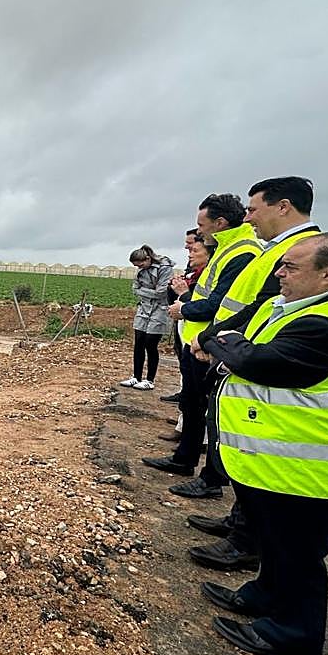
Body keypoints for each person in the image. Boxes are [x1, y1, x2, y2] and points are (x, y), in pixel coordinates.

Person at [199, 233, 328, 655]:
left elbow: (258, 361)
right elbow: (238, 344)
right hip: (283, 460)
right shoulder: (298, 307)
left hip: (314, 465)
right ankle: (266, 595)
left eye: (291, 267)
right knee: (275, 540)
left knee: (297, 552)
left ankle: (293, 633)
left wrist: (228, 346)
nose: (279, 273)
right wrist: (232, 345)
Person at [185, 176, 321, 566]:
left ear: (283, 207)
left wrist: (211, 338)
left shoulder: (300, 252)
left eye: (253, 209)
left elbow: (260, 307)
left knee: (254, 447)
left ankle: (246, 540)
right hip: (238, 351)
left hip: (251, 357)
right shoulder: (272, 248)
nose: (248, 217)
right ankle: (241, 525)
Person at [142, 193, 260, 485]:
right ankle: (184, 459)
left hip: (214, 345)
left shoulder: (243, 253)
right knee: (192, 404)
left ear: (220, 223)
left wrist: (184, 308)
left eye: (201, 224)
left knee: (212, 411)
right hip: (200, 341)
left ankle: (212, 479)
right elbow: (207, 294)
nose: (198, 231)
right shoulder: (225, 248)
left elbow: (218, 303)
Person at [158, 235, 213, 442]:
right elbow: (173, 300)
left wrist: (184, 294)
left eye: (194, 249)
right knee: (188, 388)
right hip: (188, 333)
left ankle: (196, 437)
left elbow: (204, 307)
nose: (189, 252)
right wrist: (175, 291)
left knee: (198, 394)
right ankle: (184, 425)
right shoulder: (192, 275)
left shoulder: (207, 277)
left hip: (200, 339)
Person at [119, 245, 174, 390]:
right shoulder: (141, 270)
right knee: (139, 342)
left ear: (148, 259)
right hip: (144, 307)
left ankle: (149, 380)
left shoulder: (164, 268)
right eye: (137, 266)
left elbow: (161, 293)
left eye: (141, 264)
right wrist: (149, 291)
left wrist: (143, 291)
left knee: (150, 344)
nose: (139, 268)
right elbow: (134, 289)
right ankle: (136, 377)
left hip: (159, 309)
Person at [160, 229, 200, 404]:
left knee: (192, 370)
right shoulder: (191, 268)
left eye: (191, 245)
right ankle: (184, 395)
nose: (187, 248)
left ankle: (186, 399)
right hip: (184, 320)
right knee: (182, 359)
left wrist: (183, 293)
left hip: (195, 326)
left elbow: (203, 303)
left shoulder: (204, 271)